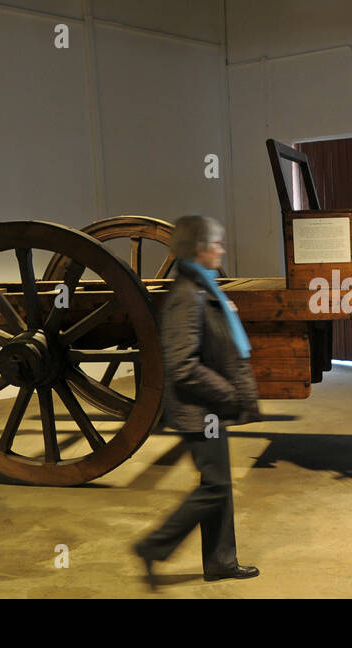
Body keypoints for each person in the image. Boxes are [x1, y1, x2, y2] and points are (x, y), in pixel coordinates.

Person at [133, 215, 262, 589]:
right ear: (200, 249)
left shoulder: (201, 288)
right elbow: (183, 366)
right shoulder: (186, 297)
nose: (222, 250)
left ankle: (221, 561)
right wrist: (228, 392)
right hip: (197, 409)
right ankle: (153, 545)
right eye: (217, 244)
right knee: (216, 487)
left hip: (208, 408)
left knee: (216, 484)